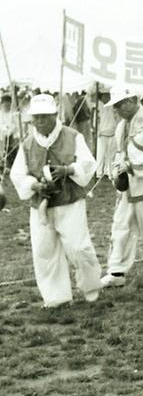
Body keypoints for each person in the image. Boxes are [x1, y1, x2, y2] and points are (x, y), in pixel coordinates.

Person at [10, 94, 103, 307]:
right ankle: (56, 298)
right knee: (45, 251)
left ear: (54, 115)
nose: (40, 121)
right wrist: (34, 185)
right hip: (41, 205)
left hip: (69, 201)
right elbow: (18, 175)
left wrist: (69, 169)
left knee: (79, 248)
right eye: (36, 117)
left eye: (44, 116)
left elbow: (89, 164)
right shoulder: (27, 144)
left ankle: (91, 289)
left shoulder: (72, 136)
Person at [101, 88, 143, 288]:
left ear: (133, 99)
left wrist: (130, 166)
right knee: (121, 225)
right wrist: (118, 169)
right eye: (116, 105)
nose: (118, 109)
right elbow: (120, 151)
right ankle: (116, 270)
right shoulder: (122, 126)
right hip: (128, 185)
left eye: (121, 103)